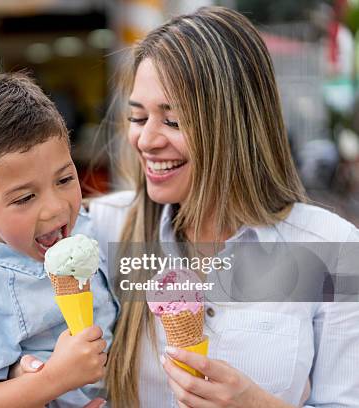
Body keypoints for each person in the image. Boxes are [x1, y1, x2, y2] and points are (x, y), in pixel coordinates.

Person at [18, 6, 359, 408]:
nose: (146, 140)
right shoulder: (97, 231)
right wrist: (28, 379)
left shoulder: (334, 246)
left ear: (238, 123)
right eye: (138, 117)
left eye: (173, 121)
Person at [0, 69, 117, 408]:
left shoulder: (88, 226)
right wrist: (54, 379)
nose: (55, 208)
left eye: (64, 179)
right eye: (24, 198)